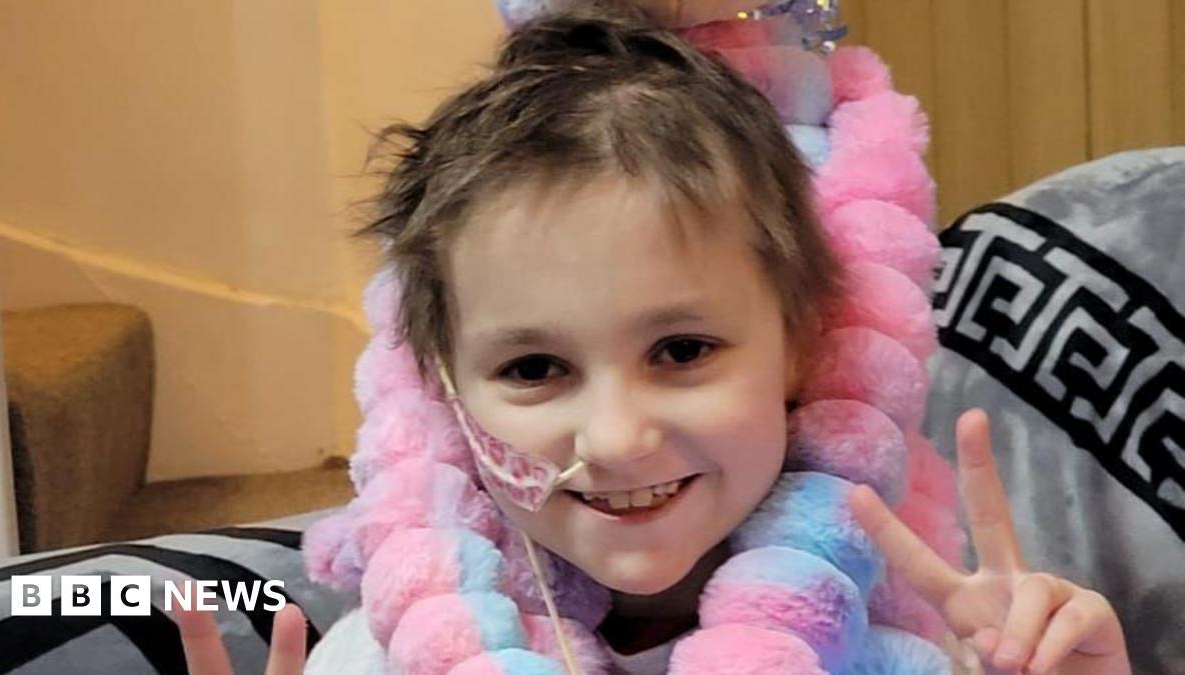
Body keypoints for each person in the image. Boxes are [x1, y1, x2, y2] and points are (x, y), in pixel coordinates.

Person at [175, 3, 1130, 673]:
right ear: (443, 389)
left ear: (801, 342)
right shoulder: (382, 658)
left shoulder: (935, 646)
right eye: (535, 367)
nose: (617, 438)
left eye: (680, 351)